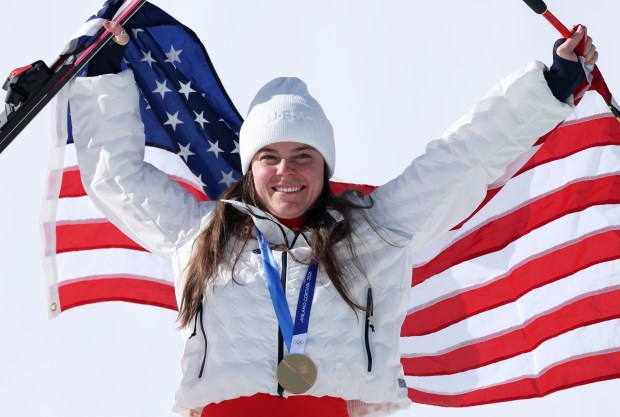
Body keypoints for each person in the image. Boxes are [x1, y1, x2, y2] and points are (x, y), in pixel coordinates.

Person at [69, 20, 598, 417]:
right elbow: (119, 181)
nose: (286, 172)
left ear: (325, 166)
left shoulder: (376, 231)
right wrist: (103, 75)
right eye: (269, 157)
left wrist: (550, 86)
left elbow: (460, 158)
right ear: (250, 168)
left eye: (304, 156)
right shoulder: (204, 234)